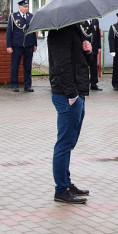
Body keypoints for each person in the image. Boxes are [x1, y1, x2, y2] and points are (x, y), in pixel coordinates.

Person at [47, 23, 92, 204]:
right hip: (67, 95)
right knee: (64, 143)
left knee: (70, 142)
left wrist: (87, 51)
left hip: (77, 92)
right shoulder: (59, 32)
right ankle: (61, 189)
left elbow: (79, 63)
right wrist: (72, 95)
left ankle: (66, 183)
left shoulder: (74, 29)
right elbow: (62, 65)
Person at [6, 0, 37, 92]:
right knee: (15, 65)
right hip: (17, 45)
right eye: (24, 7)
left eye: (27, 7)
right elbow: (9, 32)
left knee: (28, 66)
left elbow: (33, 31)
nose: (26, 8)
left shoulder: (31, 16)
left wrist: (35, 44)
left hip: (29, 44)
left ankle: (28, 85)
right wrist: (9, 45)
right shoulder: (14, 16)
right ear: (20, 7)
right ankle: (14, 84)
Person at [78, 18, 102, 91]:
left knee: (94, 67)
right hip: (85, 49)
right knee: (84, 67)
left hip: (94, 48)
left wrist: (99, 46)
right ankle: (84, 84)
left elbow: (97, 34)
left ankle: (94, 84)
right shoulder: (82, 21)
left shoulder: (95, 21)